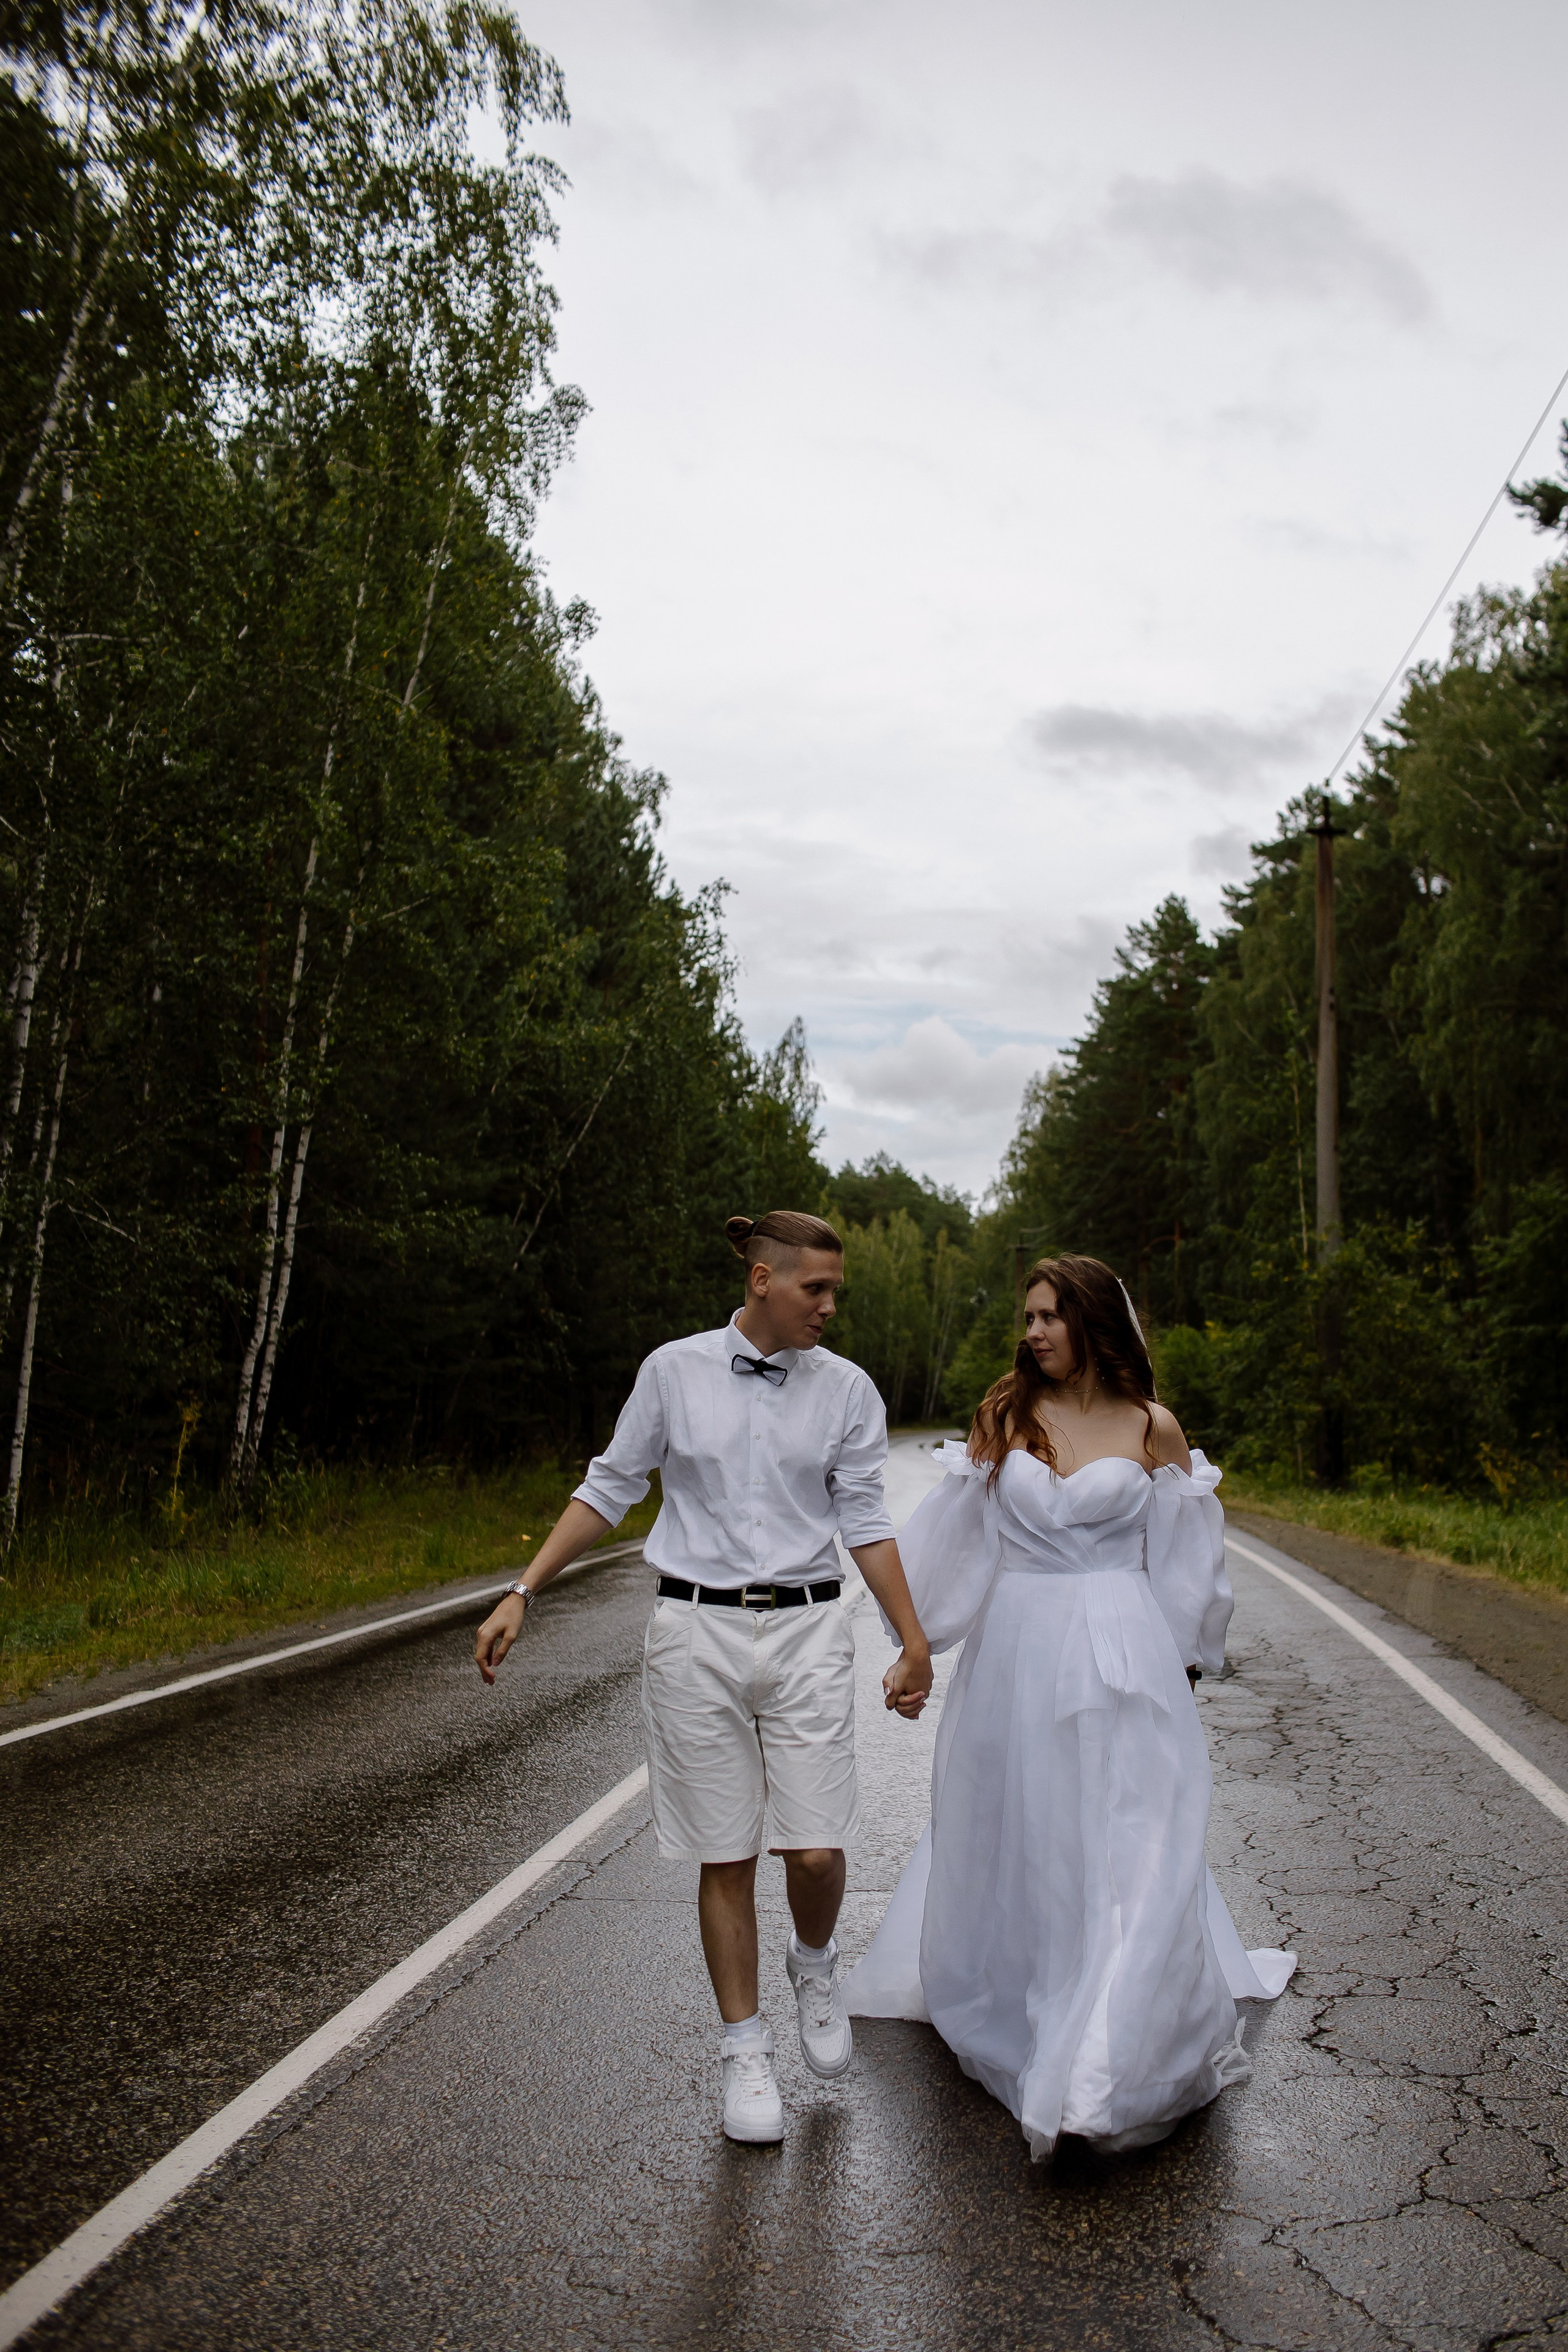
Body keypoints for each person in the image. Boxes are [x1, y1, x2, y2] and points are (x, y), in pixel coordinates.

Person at [474, 1209, 933, 2145]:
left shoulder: (846, 1390)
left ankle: (813, 1961)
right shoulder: (672, 1371)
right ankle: (745, 2052)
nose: (830, 1307)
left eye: (835, 1290)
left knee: (811, 1848)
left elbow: (866, 1520)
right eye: (817, 1289)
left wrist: (911, 1639)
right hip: (694, 1632)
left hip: (808, 1629)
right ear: (763, 1280)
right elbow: (609, 1486)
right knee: (725, 1853)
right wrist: (524, 1589)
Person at [843, 1254, 1295, 2158]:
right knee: (1038, 1840)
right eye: (1029, 1315)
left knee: (1137, 1844)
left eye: (1050, 1315)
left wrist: (1189, 1658)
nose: (1035, 1330)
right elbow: (961, 1541)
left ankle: (1105, 2066)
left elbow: (1183, 1559)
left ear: (1092, 1320)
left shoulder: (1152, 1427)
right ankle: (1037, 1999)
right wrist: (916, 1643)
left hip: (1126, 1653)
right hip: (1018, 1655)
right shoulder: (1007, 1416)